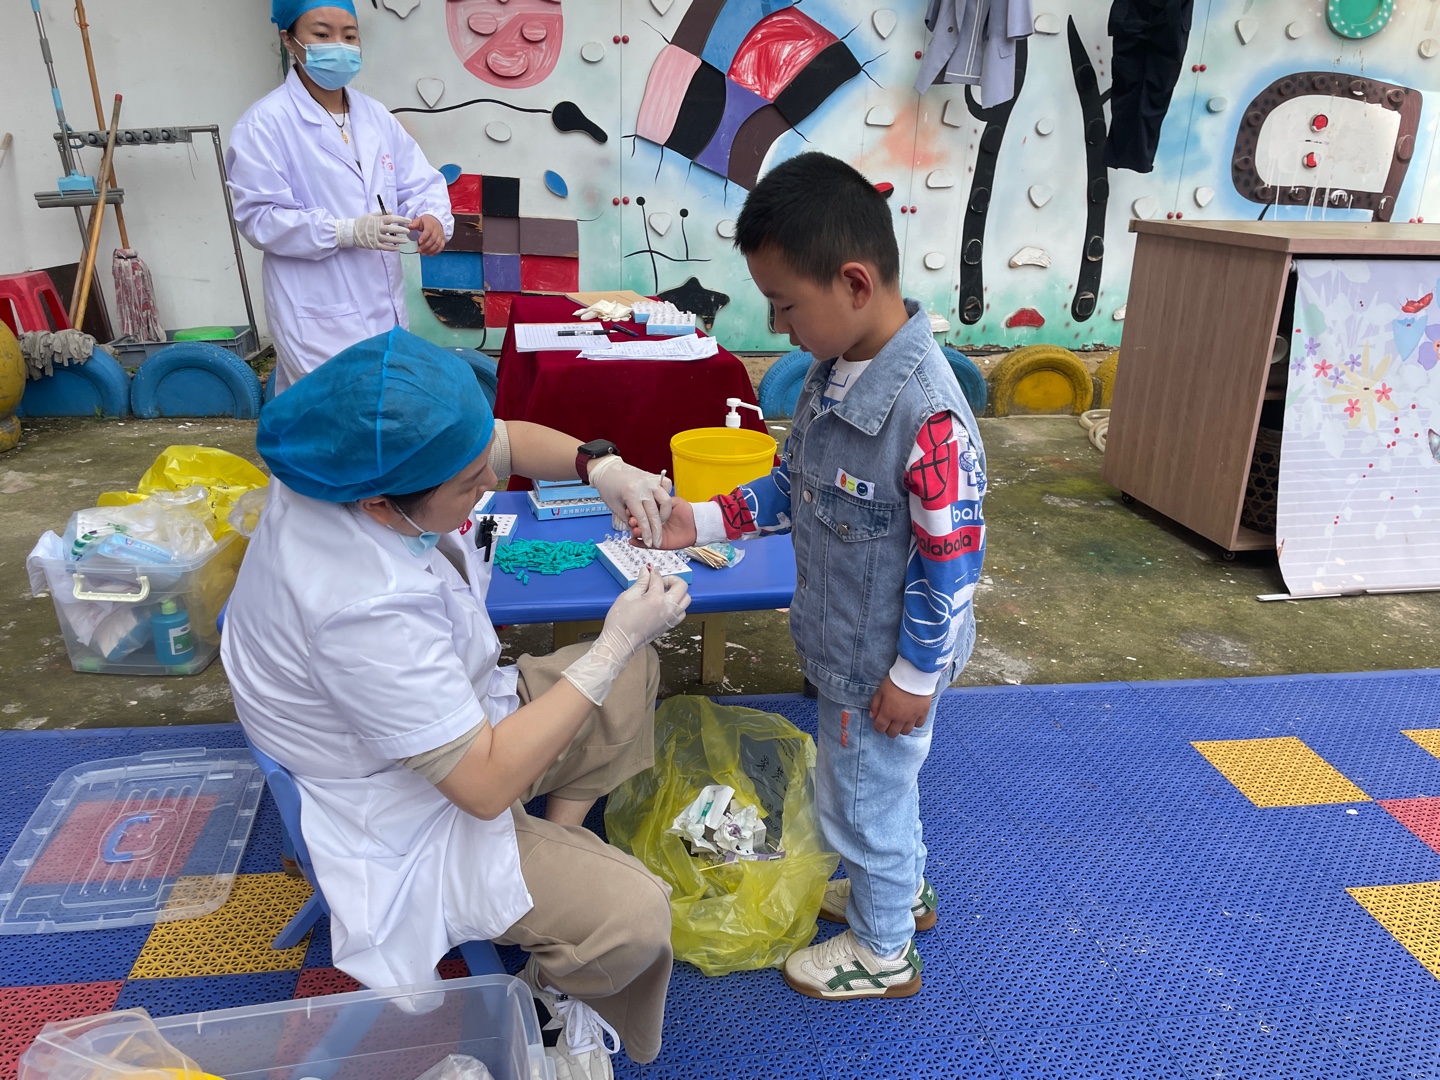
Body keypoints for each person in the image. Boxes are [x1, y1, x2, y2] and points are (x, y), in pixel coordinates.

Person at [222, 328, 684, 1078]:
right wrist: (607, 646)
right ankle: (553, 989)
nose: (490, 484)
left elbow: (502, 442)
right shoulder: (359, 605)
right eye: (471, 487)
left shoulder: (346, 457)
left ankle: (555, 842)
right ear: (380, 502)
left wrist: (600, 466)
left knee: (634, 670)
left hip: (442, 731)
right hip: (406, 807)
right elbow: (483, 787)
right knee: (635, 917)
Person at [638, 153, 987, 1001]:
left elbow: (951, 565)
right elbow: (793, 484)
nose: (777, 324)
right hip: (849, 646)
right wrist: (700, 519)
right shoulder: (833, 373)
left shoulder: (928, 416)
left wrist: (913, 676)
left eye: (786, 305)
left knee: (859, 803)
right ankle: (899, 891)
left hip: (883, 665)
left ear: (855, 284)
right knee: (874, 789)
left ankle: (882, 948)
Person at [226, 0, 454, 393]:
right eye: (322, 34)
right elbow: (259, 217)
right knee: (330, 409)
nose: (340, 45)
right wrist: (344, 232)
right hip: (317, 312)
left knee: (386, 404)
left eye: (349, 36)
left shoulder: (375, 116)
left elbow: (420, 181)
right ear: (289, 40)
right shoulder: (265, 124)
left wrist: (431, 215)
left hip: (384, 307)